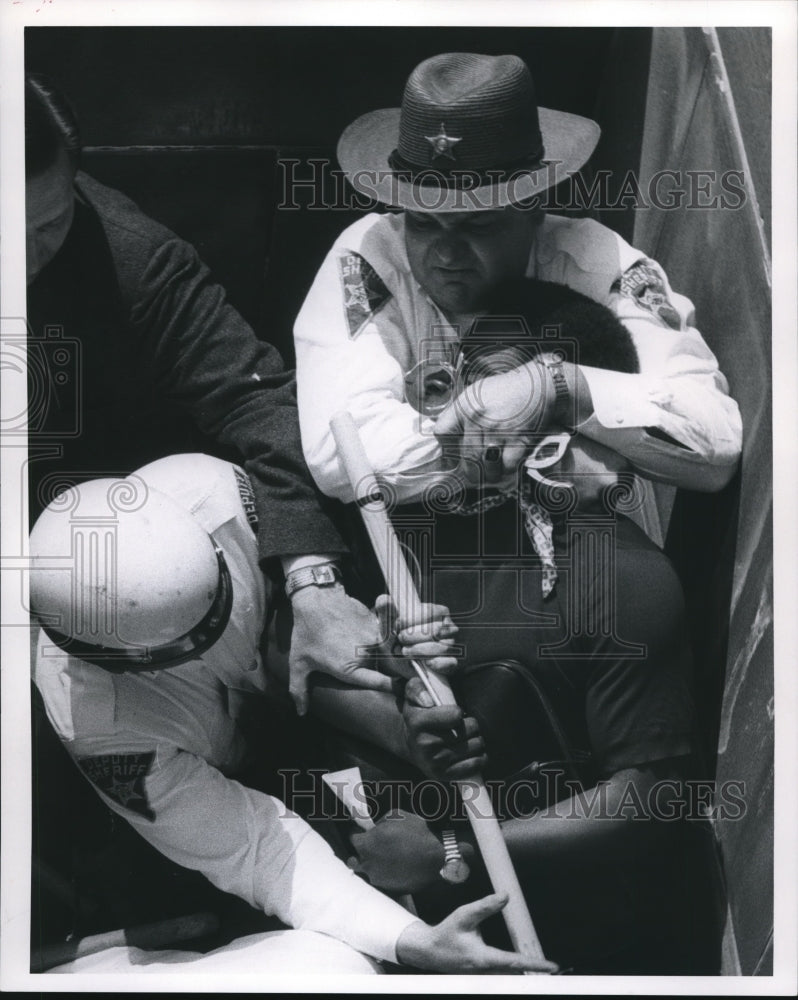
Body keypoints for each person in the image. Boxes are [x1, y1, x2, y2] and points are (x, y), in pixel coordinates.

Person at [28, 452, 555, 975]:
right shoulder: (103, 732)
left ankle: (404, 739)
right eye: (184, 646)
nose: (211, 640)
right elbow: (257, 851)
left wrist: (386, 670)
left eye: (215, 610)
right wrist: (411, 940)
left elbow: (303, 615)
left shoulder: (216, 493)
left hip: (309, 693)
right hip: (231, 781)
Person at [24, 73, 393, 713]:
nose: (19, 261)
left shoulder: (135, 261)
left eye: (45, 228)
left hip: (98, 557)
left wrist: (315, 586)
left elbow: (258, 403)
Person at [293, 51, 742, 506]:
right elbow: (340, 455)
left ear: (535, 210)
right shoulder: (368, 258)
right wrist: (550, 454)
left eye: (478, 225)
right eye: (424, 223)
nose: (447, 253)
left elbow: (716, 439)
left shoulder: (597, 263)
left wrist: (557, 388)